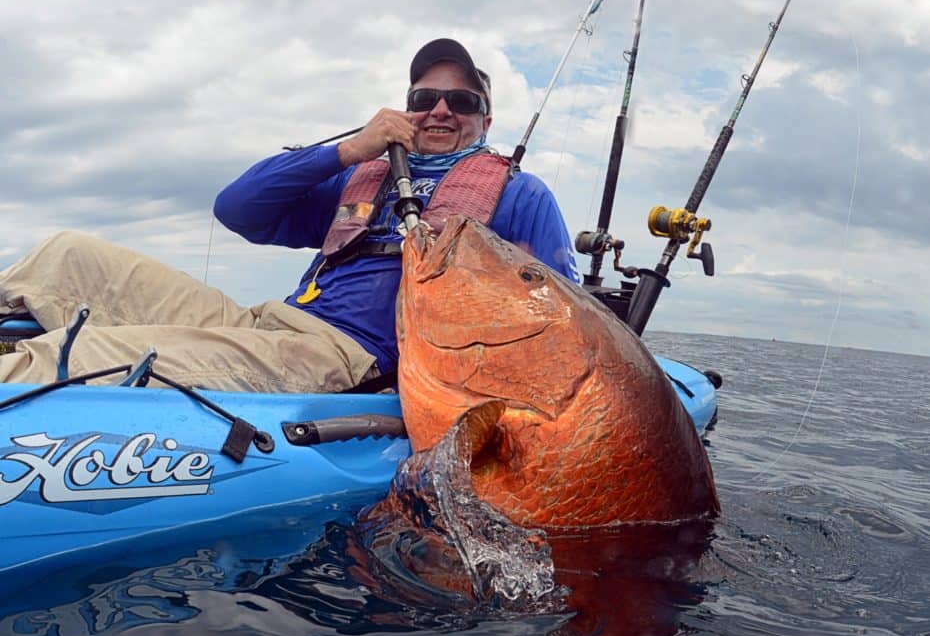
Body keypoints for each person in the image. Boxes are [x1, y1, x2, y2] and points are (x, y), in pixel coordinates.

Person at [0, 39, 579, 393]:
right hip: (269, 323)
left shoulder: (521, 195)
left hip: (346, 356)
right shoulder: (360, 175)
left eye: (463, 101)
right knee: (64, 255)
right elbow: (236, 207)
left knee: (94, 355)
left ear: (487, 120)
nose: (441, 111)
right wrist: (349, 149)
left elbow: (567, 318)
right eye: (423, 99)